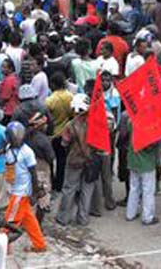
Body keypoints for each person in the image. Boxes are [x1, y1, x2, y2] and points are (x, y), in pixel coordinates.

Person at [3, 121, 46, 252]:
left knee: (10, 221)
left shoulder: (27, 152)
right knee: (29, 219)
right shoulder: (9, 148)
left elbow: (33, 174)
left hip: (20, 193)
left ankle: (3, 246)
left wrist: (34, 193)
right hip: (16, 190)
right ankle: (39, 245)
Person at [56, 94, 96, 227]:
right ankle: (83, 218)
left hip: (74, 160)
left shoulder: (70, 126)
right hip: (90, 160)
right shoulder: (95, 122)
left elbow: (64, 144)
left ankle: (64, 217)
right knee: (87, 189)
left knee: (69, 189)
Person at [124, 115, 160, 226]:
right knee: (148, 190)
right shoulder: (150, 126)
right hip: (146, 162)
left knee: (134, 188)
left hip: (133, 159)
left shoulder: (131, 121)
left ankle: (130, 213)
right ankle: (147, 217)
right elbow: (150, 146)